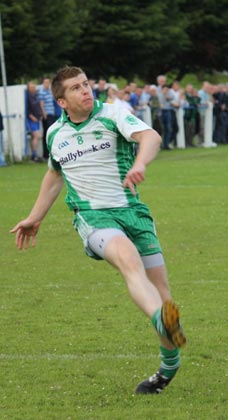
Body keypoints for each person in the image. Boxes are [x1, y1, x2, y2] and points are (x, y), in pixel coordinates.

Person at [10, 66, 187, 395]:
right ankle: (160, 320)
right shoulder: (55, 134)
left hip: (134, 213)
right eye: (76, 88)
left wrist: (140, 164)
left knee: (164, 295)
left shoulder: (113, 114)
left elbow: (151, 137)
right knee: (127, 258)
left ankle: (168, 366)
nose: (86, 91)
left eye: (87, 84)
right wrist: (35, 217)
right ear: (62, 102)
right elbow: (54, 174)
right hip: (93, 217)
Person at [38, 77, 58, 159]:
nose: (47, 84)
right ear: (43, 83)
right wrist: (44, 114)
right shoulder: (41, 92)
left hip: (52, 114)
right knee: (47, 134)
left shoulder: (50, 91)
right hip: (47, 115)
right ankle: (45, 154)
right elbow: (41, 104)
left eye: (48, 82)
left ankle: (52, 153)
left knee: (52, 133)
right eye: (45, 82)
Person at [25, 81, 44, 162]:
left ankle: (34, 155)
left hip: (37, 119)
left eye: (34, 87)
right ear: (28, 88)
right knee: (37, 136)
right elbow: (27, 108)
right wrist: (32, 116)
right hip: (32, 119)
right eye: (31, 87)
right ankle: (34, 155)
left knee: (35, 137)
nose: (33, 89)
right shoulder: (27, 97)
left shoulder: (35, 96)